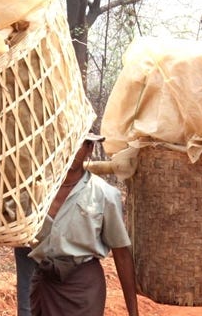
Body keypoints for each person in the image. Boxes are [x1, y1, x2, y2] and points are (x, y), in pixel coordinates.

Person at [28, 132, 138, 316]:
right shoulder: (37, 192)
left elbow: (121, 253)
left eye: (77, 144)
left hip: (82, 289)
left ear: (89, 148)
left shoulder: (104, 194)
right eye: (64, 143)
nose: (70, 151)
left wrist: (133, 312)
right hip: (45, 284)